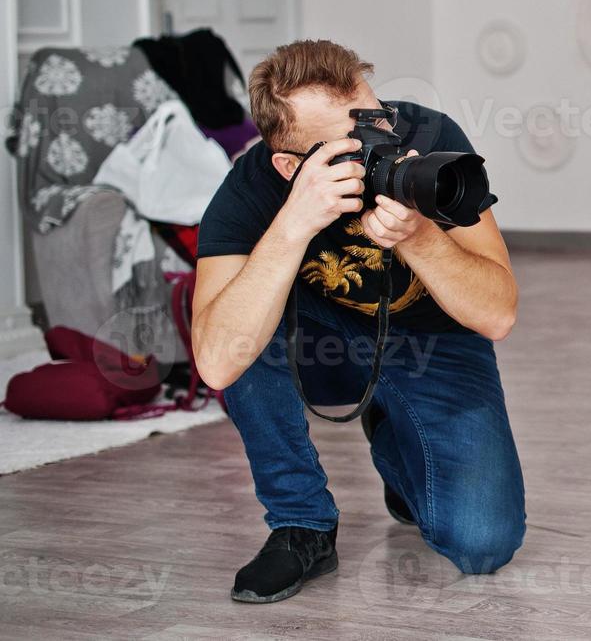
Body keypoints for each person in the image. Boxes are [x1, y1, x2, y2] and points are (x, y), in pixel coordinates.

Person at [192, 39, 524, 603]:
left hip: (431, 339)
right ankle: (302, 525)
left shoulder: (431, 142)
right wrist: (292, 226)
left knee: (481, 544)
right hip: (322, 342)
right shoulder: (250, 189)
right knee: (242, 311)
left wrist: (420, 237)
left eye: (378, 123)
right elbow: (218, 361)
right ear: (290, 165)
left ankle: (398, 441)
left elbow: (498, 314)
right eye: (351, 145)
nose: (380, 149)